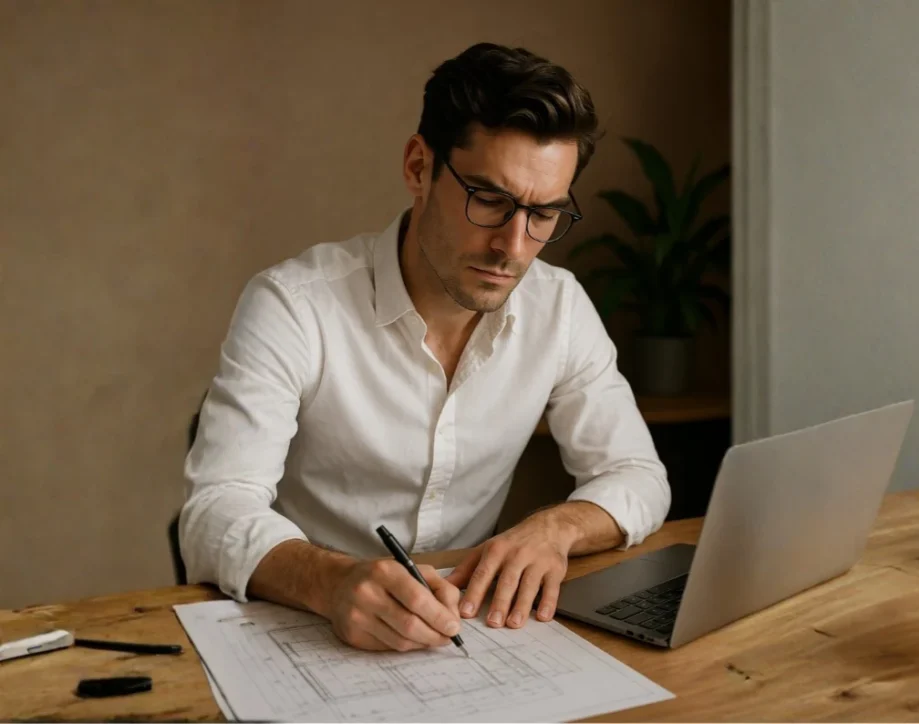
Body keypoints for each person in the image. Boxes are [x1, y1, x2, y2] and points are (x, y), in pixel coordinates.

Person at [180, 42, 670, 653]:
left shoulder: (560, 306)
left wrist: (556, 529)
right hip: (306, 631)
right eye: (490, 200)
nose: (514, 247)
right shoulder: (294, 304)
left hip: (471, 634)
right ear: (419, 167)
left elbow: (637, 475)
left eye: (544, 214)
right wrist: (330, 581)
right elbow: (213, 514)